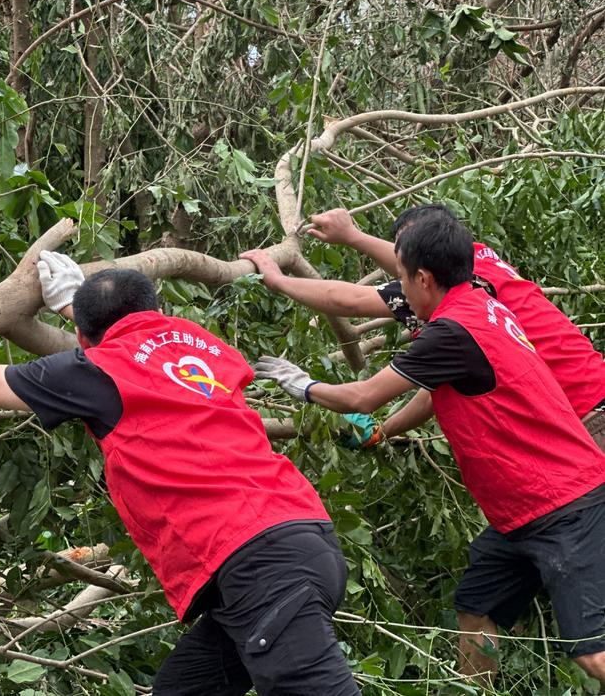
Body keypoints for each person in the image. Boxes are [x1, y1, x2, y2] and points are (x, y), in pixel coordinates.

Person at [0, 252, 361, 696]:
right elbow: (143, 351)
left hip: (259, 562)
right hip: (301, 540)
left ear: (84, 338)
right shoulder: (199, 342)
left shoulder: (97, 371)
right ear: (156, 306)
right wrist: (72, 304)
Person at [252, 215, 605, 685]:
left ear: (422, 278)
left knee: (592, 651)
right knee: (476, 607)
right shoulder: (479, 303)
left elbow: (363, 396)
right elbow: (432, 392)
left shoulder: (453, 331)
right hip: (521, 512)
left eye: (399, 277)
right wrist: (385, 432)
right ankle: (475, 690)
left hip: (566, 502)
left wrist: (304, 385)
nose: (395, 291)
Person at [241, 205, 605, 449]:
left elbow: (350, 302)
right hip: (574, 422)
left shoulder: (469, 289)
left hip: (589, 411)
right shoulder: (458, 299)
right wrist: (384, 431)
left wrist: (282, 280)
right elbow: (434, 389)